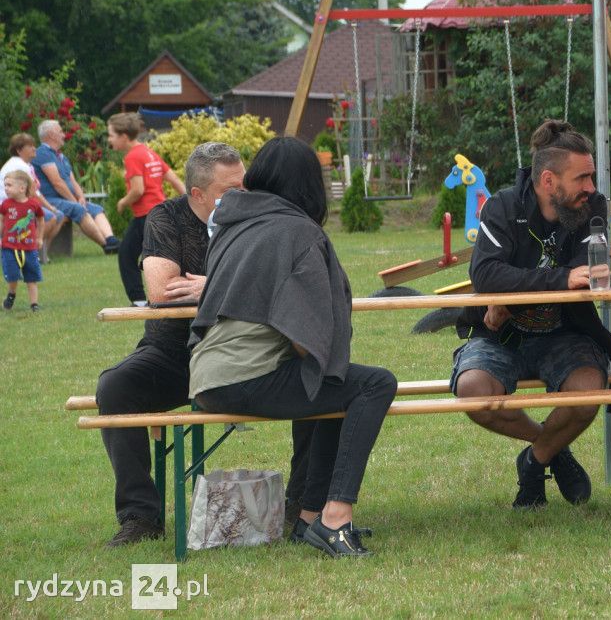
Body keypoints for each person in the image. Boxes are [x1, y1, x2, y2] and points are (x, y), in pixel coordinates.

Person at [189, 136, 397, 558]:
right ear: (309, 185)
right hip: (245, 378)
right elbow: (308, 335)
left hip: (205, 375)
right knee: (373, 384)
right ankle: (335, 518)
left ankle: (308, 518)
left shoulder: (234, 225)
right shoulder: (298, 231)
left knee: (335, 383)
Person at [451, 119, 611, 510]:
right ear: (548, 181)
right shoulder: (502, 206)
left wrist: (511, 298)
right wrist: (560, 280)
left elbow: (590, 276)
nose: (591, 187)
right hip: (501, 335)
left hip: (566, 332)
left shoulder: (593, 207)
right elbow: (485, 274)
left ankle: (535, 461)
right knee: (473, 393)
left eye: (591, 176)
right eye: (582, 178)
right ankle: (552, 448)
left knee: (589, 394)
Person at [95, 142, 246, 546]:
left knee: (318, 372)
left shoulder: (253, 216)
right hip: (171, 353)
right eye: (229, 190)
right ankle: (141, 516)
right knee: (115, 387)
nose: (242, 196)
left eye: (244, 185)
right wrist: (231, 286)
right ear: (197, 194)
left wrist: (209, 285)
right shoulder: (167, 217)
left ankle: (302, 503)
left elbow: (273, 283)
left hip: (238, 352)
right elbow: (163, 292)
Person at [107, 113, 185, 306]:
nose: (109, 140)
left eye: (111, 135)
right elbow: (173, 178)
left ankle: (139, 300)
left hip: (146, 216)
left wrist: (122, 202)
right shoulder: (148, 152)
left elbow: (138, 190)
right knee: (160, 255)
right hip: (160, 213)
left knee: (126, 255)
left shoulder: (132, 157)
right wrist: (188, 201)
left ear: (124, 136)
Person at [31, 119, 119, 253]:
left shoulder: (61, 156)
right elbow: (57, 183)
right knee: (78, 208)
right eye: (60, 131)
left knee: (96, 209)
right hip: (49, 200)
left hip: (66, 199)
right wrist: (74, 201)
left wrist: (81, 197)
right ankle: (107, 246)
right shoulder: (42, 153)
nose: (63, 135)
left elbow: (73, 181)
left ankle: (111, 240)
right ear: (51, 135)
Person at [2, 133, 66, 261]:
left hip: (19, 203)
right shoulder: (20, 166)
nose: (34, 148)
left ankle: (40, 254)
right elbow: (33, 194)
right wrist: (49, 209)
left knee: (59, 215)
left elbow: (35, 192)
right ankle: (29, 253)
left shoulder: (26, 165)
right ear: (19, 150)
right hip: (10, 206)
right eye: (30, 146)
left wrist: (50, 207)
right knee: (50, 217)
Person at [2, 169, 44, 311]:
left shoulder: (34, 205)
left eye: (9, 185)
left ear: (21, 188)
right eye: (5, 185)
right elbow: (1, 221)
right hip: (9, 247)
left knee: (31, 277)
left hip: (29, 248)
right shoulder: (5, 205)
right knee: (12, 275)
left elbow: (41, 220)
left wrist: (40, 237)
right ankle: (11, 294)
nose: (6, 188)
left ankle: (34, 304)